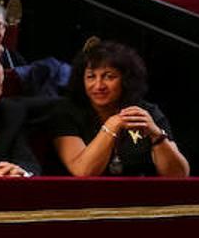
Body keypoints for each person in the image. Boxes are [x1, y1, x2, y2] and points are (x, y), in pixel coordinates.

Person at [49, 39, 189, 178]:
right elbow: (83, 171)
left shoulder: (146, 112)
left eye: (109, 77)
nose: (99, 86)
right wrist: (112, 125)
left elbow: (179, 175)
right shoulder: (66, 112)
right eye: (91, 77)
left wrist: (157, 135)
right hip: (82, 197)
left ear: (126, 79)